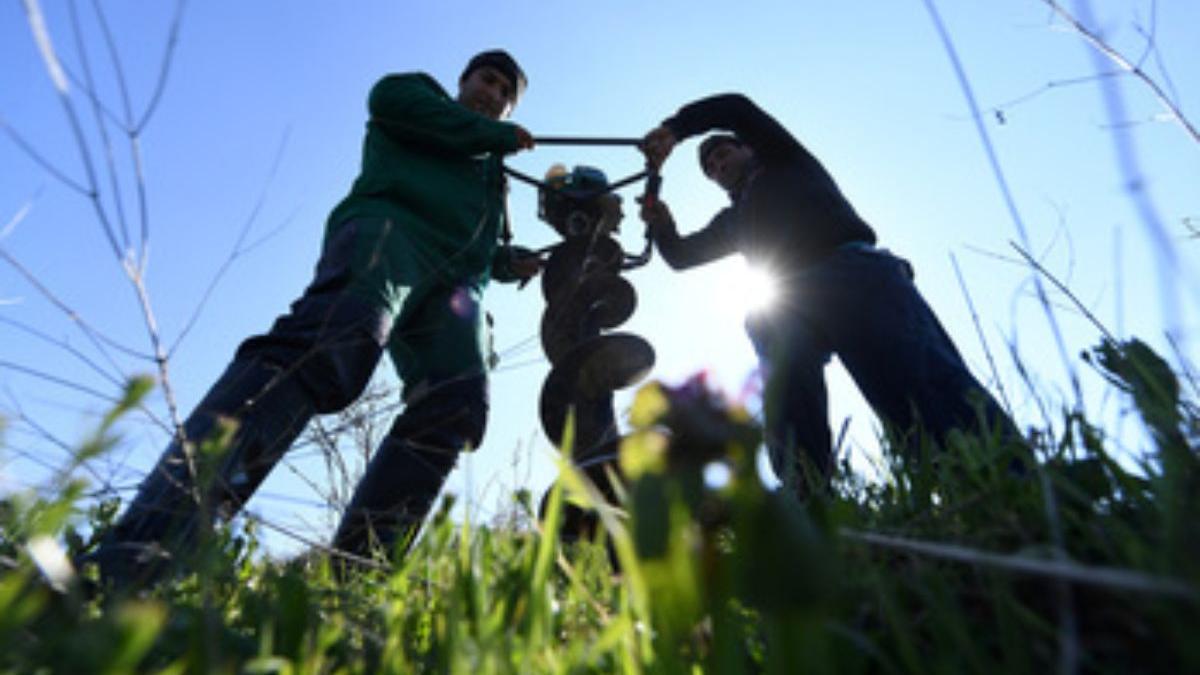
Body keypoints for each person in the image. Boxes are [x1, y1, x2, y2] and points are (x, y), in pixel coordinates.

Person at [86, 50, 538, 587]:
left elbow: (477, 249)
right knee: (333, 344)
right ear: (463, 81)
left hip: (454, 289)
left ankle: (353, 581)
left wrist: (513, 263)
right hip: (389, 236)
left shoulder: (491, 174)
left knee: (457, 403)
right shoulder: (418, 97)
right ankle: (148, 549)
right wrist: (495, 138)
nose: (495, 94)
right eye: (488, 80)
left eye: (506, 95)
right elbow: (389, 104)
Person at [639, 93, 1020, 494]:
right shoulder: (734, 220)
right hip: (785, 299)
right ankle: (808, 505)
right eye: (711, 168)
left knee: (917, 382)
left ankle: (997, 480)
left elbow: (735, 108)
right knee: (785, 390)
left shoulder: (783, 159)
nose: (718, 166)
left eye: (723, 153)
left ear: (746, 147)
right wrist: (663, 225)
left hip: (854, 274)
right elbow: (682, 256)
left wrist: (676, 129)